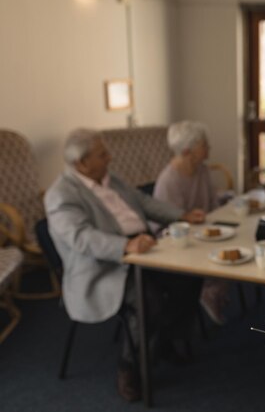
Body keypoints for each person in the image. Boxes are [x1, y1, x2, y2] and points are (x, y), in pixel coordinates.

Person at [44, 128, 206, 402]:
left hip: (142, 249)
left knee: (190, 276)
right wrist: (124, 246)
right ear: (81, 163)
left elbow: (144, 202)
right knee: (148, 301)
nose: (110, 157)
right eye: (102, 154)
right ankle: (128, 367)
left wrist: (182, 215)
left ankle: (163, 340)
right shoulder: (60, 195)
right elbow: (82, 239)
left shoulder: (108, 178)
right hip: (102, 266)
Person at [153, 120, 231, 325]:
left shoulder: (202, 170)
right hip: (177, 244)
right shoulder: (169, 180)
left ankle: (213, 291)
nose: (209, 148)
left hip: (203, 234)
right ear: (188, 151)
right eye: (204, 144)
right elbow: (168, 227)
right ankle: (208, 291)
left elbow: (213, 206)